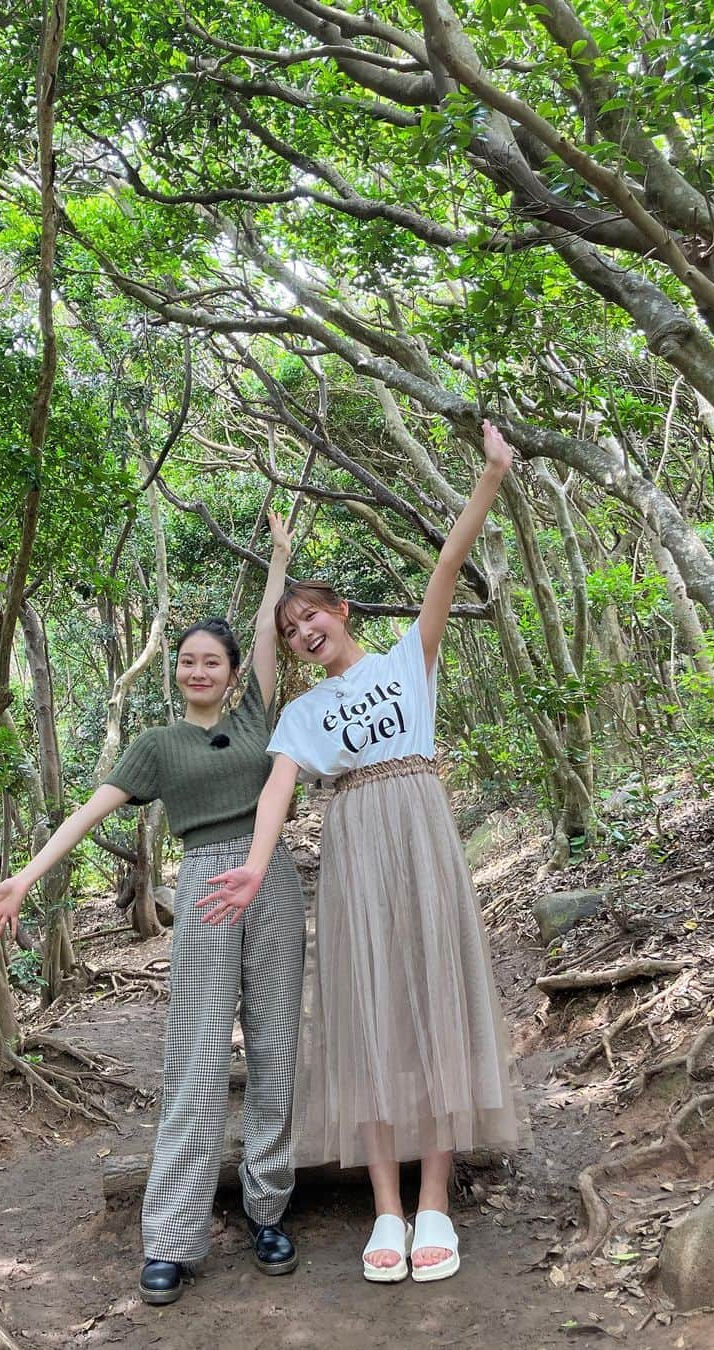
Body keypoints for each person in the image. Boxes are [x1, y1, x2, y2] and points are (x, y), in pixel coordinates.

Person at [198, 421, 529, 1284]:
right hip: (352, 847)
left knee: (433, 1005)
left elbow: (446, 569)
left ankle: (434, 1206)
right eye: (291, 626)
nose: (304, 631)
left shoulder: (405, 662)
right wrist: (256, 862)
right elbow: (276, 790)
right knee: (368, 1015)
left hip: (419, 834)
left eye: (312, 614)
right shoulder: (301, 718)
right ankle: (386, 1206)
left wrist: (490, 477)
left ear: (341, 611)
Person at [0, 513, 305, 1306]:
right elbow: (89, 811)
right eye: (188, 661)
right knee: (194, 1056)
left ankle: (267, 1210)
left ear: (233, 672)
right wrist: (25, 877)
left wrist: (280, 559)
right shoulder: (157, 745)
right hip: (202, 885)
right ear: (178, 673)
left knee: (274, 1046)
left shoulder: (259, 713)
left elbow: (268, 625)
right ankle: (171, 1237)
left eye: (212, 661)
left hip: (271, 881)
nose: (198, 669)